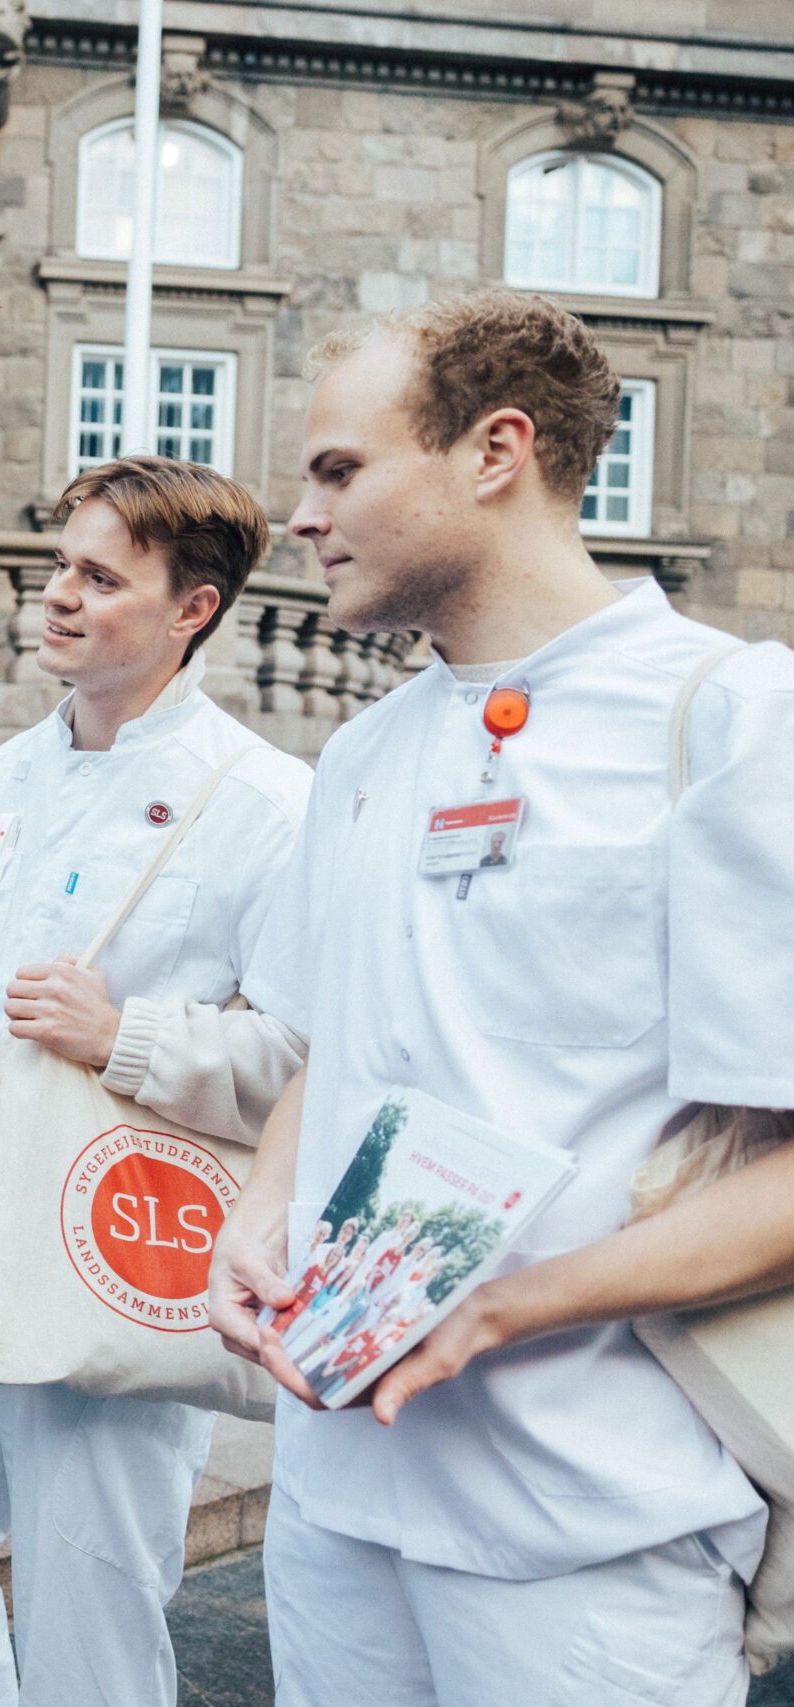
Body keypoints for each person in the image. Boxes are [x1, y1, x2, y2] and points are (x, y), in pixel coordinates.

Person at [207, 288, 794, 1707]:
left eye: (341, 469)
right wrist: (255, 1213)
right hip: (341, 1483)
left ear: (495, 451)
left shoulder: (726, 714)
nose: (302, 514)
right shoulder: (360, 751)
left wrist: (504, 1308)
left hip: (590, 1504)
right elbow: (330, 1047)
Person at [0, 456, 314, 1707]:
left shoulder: (267, 803)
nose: (57, 594)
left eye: (99, 578)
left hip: (105, 1253)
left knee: (89, 1599)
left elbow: (304, 1063)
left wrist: (128, 1038)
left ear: (190, 610)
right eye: (61, 564)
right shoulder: (5, 775)